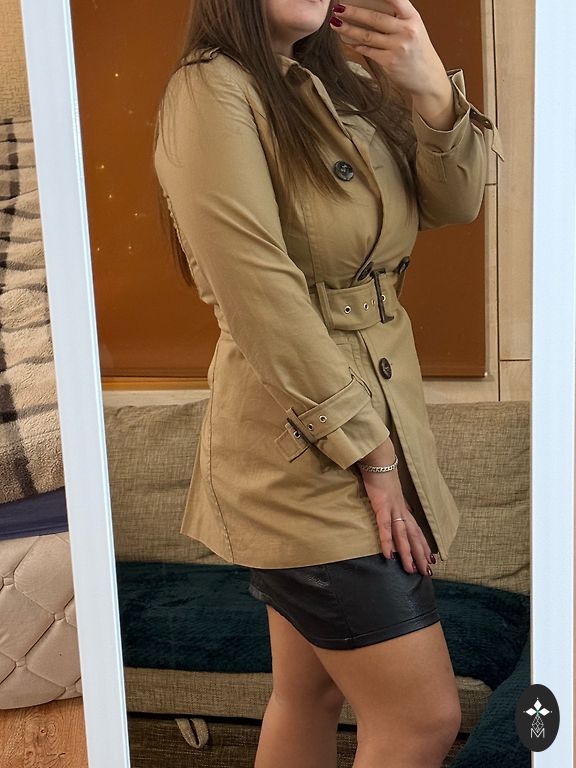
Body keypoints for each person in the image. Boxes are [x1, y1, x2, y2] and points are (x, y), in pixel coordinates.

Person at [153, 1, 504, 766]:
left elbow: (456, 201)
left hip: (375, 418)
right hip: (302, 450)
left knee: (306, 694)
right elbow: (258, 294)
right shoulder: (210, 89)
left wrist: (430, 90)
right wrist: (373, 456)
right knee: (422, 719)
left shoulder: (340, 82)